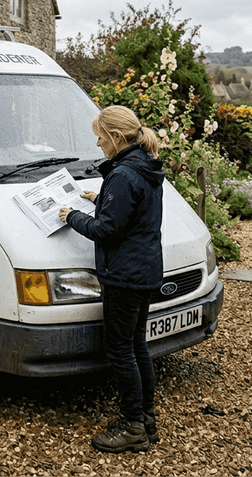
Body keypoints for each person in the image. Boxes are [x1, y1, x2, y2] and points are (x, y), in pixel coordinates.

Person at [58, 105, 164, 454]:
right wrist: (100, 197)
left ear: (117, 138)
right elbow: (133, 210)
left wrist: (72, 215)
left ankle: (132, 426)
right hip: (145, 270)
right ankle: (146, 418)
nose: (98, 143)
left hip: (124, 275)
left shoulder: (122, 175)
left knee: (119, 350)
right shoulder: (145, 167)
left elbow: (107, 229)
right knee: (137, 346)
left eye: (102, 137)